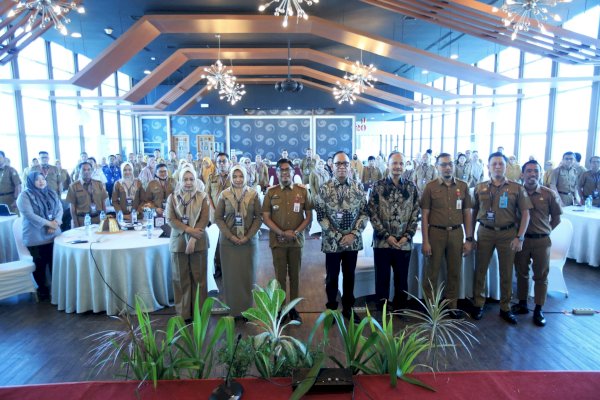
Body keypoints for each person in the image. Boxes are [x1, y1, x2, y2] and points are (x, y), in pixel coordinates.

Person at [471, 152, 532, 324]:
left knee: (506, 271)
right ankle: (478, 303)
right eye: (494, 164)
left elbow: (526, 214)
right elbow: (473, 211)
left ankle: (505, 307)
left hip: (508, 234)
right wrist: (471, 236)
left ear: (506, 167)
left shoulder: (516, 188)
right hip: (485, 232)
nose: (497, 166)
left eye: (501, 164)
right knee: (480, 269)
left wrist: (519, 237)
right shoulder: (480, 187)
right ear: (488, 166)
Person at [316, 151, 368, 322]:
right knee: (332, 277)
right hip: (332, 243)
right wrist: (338, 236)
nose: (341, 167)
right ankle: (331, 310)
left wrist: (353, 234)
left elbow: (364, 213)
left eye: (345, 163)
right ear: (332, 165)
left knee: (349, 275)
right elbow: (321, 216)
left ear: (349, 165)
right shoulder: (324, 188)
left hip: (352, 242)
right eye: (338, 164)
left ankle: (348, 308)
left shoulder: (358, 187)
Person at [421, 153, 473, 317]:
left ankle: (452, 305)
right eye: (443, 164)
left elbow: (467, 213)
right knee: (432, 273)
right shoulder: (430, 187)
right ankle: (431, 308)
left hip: (457, 233)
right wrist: (425, 241)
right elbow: (425, 215)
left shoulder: (463, 186)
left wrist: (469, 238)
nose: (447, 167)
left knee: (454, 272)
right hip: (436, 233)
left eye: (450, 164)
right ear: (437, 167)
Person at [512, 160, 562, 327]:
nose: (532, 174)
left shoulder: (548, 194)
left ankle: (539, 308)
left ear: (540, 174)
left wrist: (545, 230)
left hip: (542, 241)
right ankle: (522, 303)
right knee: (521, 273)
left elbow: (557, 218)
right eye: (529, 171)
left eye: (536, 171)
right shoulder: (516, 193)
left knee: (541, 276)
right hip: (522, 240)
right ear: (523, 174)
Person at [262, 159, 313, 323]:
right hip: (278, 241)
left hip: (296, 241)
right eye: (281, 170)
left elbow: (309, 217)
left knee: (295, 275)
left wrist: (295, 232)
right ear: (277, 173)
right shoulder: (271, 192)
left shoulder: (302, 191)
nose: (285, 173)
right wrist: (281, 232)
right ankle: (280, 308)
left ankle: (293, 309)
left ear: (293, 172)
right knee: (280, 276)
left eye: (288, 170)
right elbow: (266, 217)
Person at [368, 152, 419, 312]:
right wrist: (386, 235)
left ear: (404, 166)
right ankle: (382, 309)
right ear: (388, 165)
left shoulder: (411, 187)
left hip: (404, 243)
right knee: (382, 278)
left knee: (401, 279)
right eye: (394, 163)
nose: (398, 166)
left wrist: (407, 236)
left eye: (401, 163)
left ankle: (400, 308)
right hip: (382, 241)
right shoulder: (378, 186)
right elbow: (372, 212)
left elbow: (415, 213)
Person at [215, 165, 262, 318]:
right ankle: (233, 311)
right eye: (235, 176)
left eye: (241, 176)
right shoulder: (224, 194)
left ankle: (248, 311)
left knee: (247, 277)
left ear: (246, 177)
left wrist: (247, 236)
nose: (238, 179)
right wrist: (231, 236)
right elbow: (218, 218)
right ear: (231, 178)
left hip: (248, 243)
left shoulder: (253, 194)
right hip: (229, 244)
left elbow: (258, 218)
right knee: (231, 278)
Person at [165, 166, 209, 322]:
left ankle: (199, 312)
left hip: (199, 241)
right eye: (185, 179)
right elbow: (170, 219)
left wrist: (192, 239)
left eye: (191, 179)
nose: (188, 183)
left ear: (195, 179)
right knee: (180, 279)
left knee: (199, 279)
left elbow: (204, 220)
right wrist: (189, 230)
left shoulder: (203, 197)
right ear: (180, 180)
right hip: (178, 243)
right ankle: (184, 314)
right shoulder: (173, 197)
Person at [16, 172, 63, 300]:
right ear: (31, 182)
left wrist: (56, 222)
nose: (41, 181)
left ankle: (58, 289)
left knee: (55, 263)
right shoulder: (24, 196)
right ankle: (43, 290)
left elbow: (59, 208)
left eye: (43, 179)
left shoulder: (51, 192)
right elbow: (30, 215)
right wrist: (49, 224)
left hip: (53, 235)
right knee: (40, 266)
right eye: (37, 180)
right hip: (36, 237)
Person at [206, 153, 231, 278]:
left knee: (229, 240)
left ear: (228, 162)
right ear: (216, 163)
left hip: (230, 215)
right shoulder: (211, 177)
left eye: (224, 161)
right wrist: (214, 210)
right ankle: (219, 267)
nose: (222, 163)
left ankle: (230, 267)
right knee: (216, 242)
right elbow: (208, 195)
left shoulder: (234, 177)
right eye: (219, 161)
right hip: (215, 215)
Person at [66, 162, 108, 227]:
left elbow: (103, 204)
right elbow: (72, 208)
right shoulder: (73, 187)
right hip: (82, 221)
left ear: (91, 171)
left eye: (89, 169)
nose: (86, 172)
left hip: (98, 220)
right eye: (84, 170)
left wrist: (104, 220)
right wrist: (75, 223)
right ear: (79, 171)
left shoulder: (99, 184)